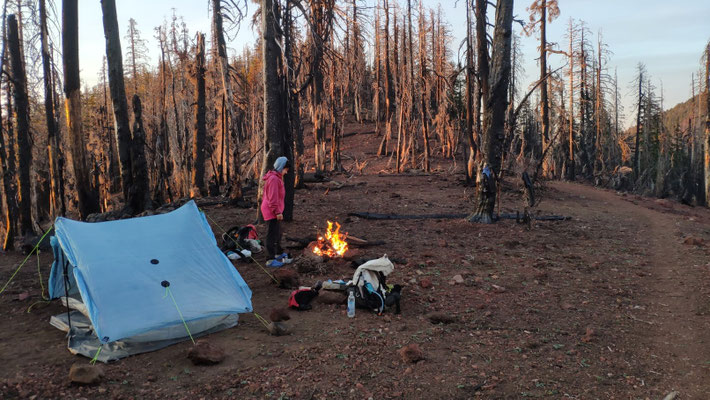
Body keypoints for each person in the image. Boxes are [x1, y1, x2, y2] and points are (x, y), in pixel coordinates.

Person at [261, 156, 293, 267]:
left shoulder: (277, 178)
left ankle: (277, 253)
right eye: (286, 169)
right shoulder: (274, 179)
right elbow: (272, 198)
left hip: (275, 209)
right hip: (271, 210)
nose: (287, 171)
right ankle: (269, 259)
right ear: (281, 167)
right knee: (271, 234)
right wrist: (277, 212)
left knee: (278, 232)